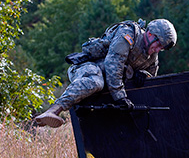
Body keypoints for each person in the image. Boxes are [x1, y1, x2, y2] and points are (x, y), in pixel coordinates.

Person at [35, 18, 177, 128]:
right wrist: (120, 97)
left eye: (162, 48)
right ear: (150, 34)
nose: (158, 49)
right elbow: (113, 64)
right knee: (95, 82)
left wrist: (144, 75)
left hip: (108, 83)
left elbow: (152, 84)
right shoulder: (128, 34)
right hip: (89, 68)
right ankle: (53, 111)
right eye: (158, 44)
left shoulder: (152, 58)